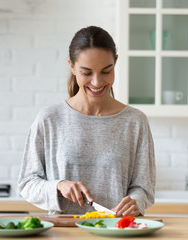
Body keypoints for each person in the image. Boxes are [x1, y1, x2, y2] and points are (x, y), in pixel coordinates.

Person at [18, 26, 155, 217]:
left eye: (106, 71)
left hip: (116, 233)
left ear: (115, 62)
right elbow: (27, 183)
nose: (97, 82)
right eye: (87, 73)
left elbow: (144, 189)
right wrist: (59, 186)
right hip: (64, 233)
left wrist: (135, 202)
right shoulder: (49, 119)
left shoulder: (135, 122)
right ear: (72, 67)